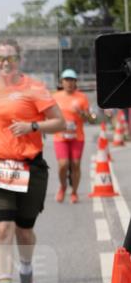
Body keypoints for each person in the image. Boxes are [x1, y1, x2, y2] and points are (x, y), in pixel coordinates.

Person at [0, 39, 65, 283]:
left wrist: (33, 125)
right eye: (0, 58)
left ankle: (25, 269)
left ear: (19, 60)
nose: (5, 63)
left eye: (11, 58)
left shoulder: (34, 88)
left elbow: (59, 121)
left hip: (30, 167)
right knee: (3, 229)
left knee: (24, 230)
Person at [52, 68, 96, 203]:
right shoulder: (56, 96)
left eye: (72, 80)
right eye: (67, 80)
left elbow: (90, 119)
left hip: (77, 136)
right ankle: (63, 187)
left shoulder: (81, 97)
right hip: (60, 136)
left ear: (75, 82)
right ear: (62, 82)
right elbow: (49, 115)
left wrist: (82, 113)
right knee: (63, 164)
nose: (69, 83)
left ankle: (74, 192)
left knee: (76, 164)